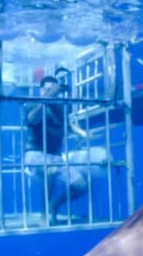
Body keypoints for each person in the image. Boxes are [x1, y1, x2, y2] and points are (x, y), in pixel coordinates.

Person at [24, 68, 100, 223]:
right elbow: (32, 120)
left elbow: (70, 126)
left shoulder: (60, 107)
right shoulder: (34, 103)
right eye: (48, 89)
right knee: (50, 170)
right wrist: (47, 98)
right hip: (35, 154)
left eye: (54, 89)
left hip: (56, 156)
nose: (53, 92)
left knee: (82, 186)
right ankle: (44, 214)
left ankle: (54, 205)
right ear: (41, 90)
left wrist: (84, 134)